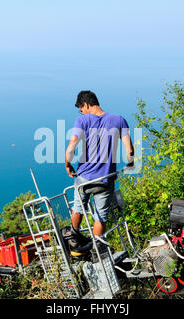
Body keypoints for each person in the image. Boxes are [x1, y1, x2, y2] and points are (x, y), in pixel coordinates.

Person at [64, 90, 134, 252]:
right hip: (105, 179)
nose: (82, 112)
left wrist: (68, 164)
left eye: (81, 109)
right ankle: (95, 249)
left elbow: (71, 146)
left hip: (83, 178)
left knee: (78, 207)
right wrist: (130, 163)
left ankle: (73, 236)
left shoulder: (82, 121)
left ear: (86, 105)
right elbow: (129, 150)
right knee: (100, 217)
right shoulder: (119, 120)